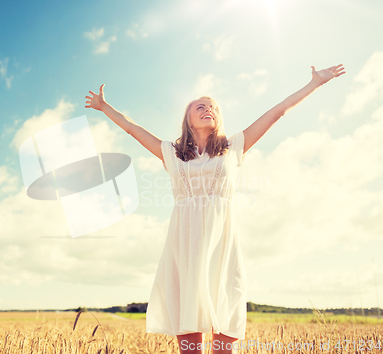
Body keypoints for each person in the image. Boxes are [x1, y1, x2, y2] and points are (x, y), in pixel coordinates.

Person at [85, 64, 346, 354]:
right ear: (188, 117)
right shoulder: (171, 152)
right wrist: (104, 107)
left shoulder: (234, 146)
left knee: (225, 340)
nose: (208, 108)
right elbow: (132, 129)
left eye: (213, 107)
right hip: (185, 245)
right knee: (190, 345)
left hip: (222, 244)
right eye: (200, 106)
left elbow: (277, 112)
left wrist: (315, 84)